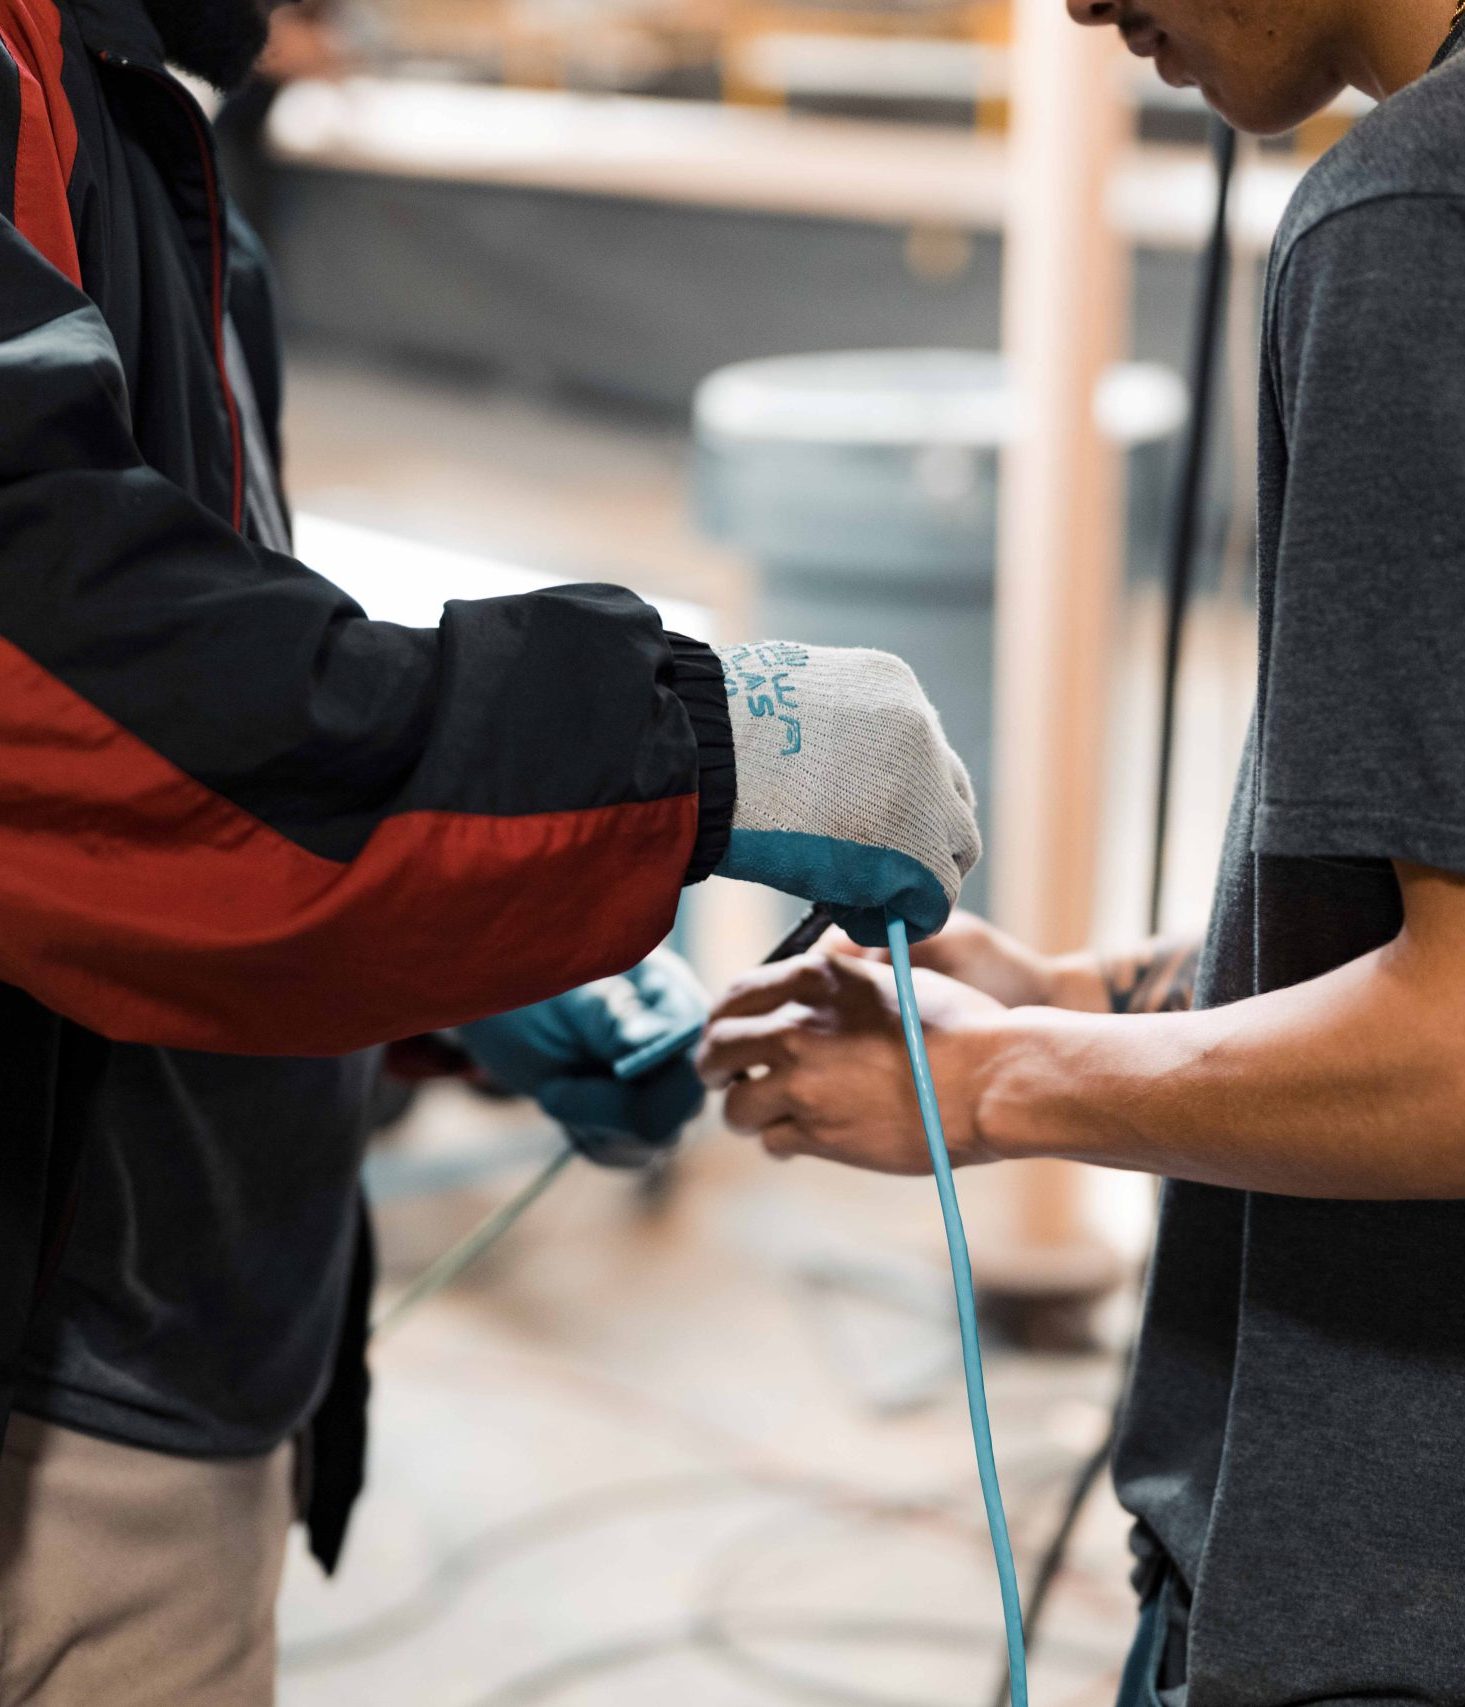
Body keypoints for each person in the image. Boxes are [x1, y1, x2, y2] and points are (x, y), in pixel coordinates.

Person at [699, 0, 1465, 1701]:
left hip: (1451, 1627)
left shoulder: (1455, 211)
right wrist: (1101, 989)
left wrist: (998, 1083)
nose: (1078, 4)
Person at [0, 0, 979, 1700]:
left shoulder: (134, 90)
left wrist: (461, 964)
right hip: (63, 1381)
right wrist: (681, 750)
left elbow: (220, 668)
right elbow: (70, 685)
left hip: (180, 1302)